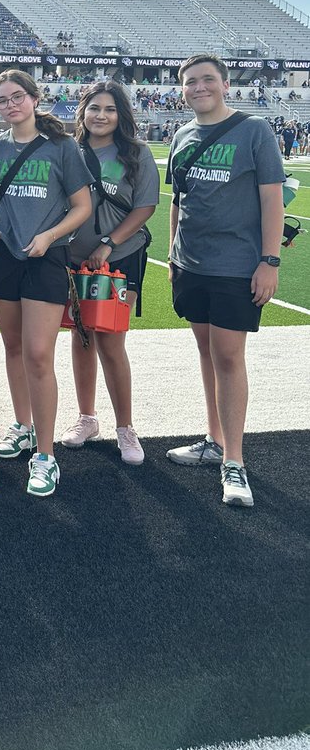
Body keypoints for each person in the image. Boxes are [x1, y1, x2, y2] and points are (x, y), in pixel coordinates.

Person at [165, 55, 285, 508]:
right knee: (206, 351)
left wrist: (269, 261)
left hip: (235, 265)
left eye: (207, 79)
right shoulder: (182, 135)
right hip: (190, 263)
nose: (199, 87)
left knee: (229, 357)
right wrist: (171, 253)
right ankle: (214, 440)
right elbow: (178, 200)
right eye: (190, 82)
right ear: (182, 90)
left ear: (226, 84)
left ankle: (234, 460)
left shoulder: (254, 130)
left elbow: (272, 200)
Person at [0, 71, 92, 497]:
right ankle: (22, 426)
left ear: (35, 98)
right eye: (2, 100)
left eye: (17, 97)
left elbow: (82, 206)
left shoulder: (62, 147)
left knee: (39, 354)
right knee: (13, 347)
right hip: (0, 256)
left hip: (45, 256)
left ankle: (45, 455)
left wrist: (49, 236)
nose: (11, 105)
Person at [60, 81, 159, 465]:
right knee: (81, 336)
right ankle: (87, 418)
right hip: (73, 259)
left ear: (121, 115)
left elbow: (144, 207)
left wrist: (108, 244)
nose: (101, 115)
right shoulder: (68, 149)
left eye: (110, 109)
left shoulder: (136, 153)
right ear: (82, 112)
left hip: (121, 256)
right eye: (94, 108)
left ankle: (124, 427)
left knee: (111, 342)